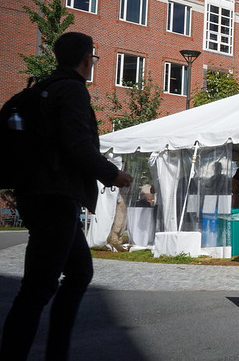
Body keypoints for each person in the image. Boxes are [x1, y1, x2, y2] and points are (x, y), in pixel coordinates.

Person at [0, 32, 133, 360]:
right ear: (87, 59)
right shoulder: (72, 90)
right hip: (55, 199)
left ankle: (56, 351)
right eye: (94, 58)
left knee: (79, 272)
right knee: (38, 287)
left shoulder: (42, 89)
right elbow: (78, 146)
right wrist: (113, 175)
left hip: (40, 195)